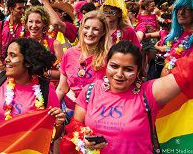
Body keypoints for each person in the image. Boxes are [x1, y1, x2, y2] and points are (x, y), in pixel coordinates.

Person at [60, 40, 193, 154]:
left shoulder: (150, 93)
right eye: (114, 66)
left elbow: (186, 71)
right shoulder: (90, 91)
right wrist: (83, 137)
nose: (119, 74)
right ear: (106, 64)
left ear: (138, 70)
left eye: (128, 69)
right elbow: (75, 126)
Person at [0, 38, 65, 135]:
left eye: (13, 55)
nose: (6, 59)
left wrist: (58, 125)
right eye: (7, 54)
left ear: (28, 62)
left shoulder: (45, 89)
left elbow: (52, 134)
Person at [56, 10, 111, 112]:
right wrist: (51, 109)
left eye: (95, 29)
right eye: (86, 28)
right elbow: (61, 88)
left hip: (96, 112)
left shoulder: (109, 57)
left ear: (103, 32)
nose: (89, 33)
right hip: (69, 110)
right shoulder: (69, 53)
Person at [23, 6, 63, 81]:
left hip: (49, 88)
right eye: (30, 21)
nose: (34, 25)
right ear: (26, 23)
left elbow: (63, 73)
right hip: (28, 87)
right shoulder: (22, 44)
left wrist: (43, 72)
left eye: (38, 22)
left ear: (44, 24)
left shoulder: (55, 44)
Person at [161, 0, 193, 77]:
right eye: (179, 8)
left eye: (187, 9)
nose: (181, 12)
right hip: (165, 86)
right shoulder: (177, 35)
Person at [0, 0, 25, 71]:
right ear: (11, 9)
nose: (23, 11)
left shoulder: (26, 26)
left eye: (23, 8)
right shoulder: (1, 24)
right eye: (19, 8)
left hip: (20, 65)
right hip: (4, 63)